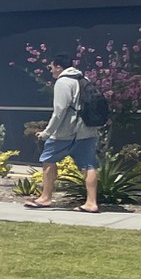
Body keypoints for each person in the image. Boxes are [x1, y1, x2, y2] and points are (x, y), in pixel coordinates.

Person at [32, 54, 101, 213]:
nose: (51, 71)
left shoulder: (63, 82)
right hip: (87, 130)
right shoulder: (83, 79)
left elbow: (59, 111)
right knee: (89, 165)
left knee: (48, 159)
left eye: (51, 67)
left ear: (58, 66)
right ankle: (91, 203)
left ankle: (45, 197)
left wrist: (46, 133)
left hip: (66, 132)